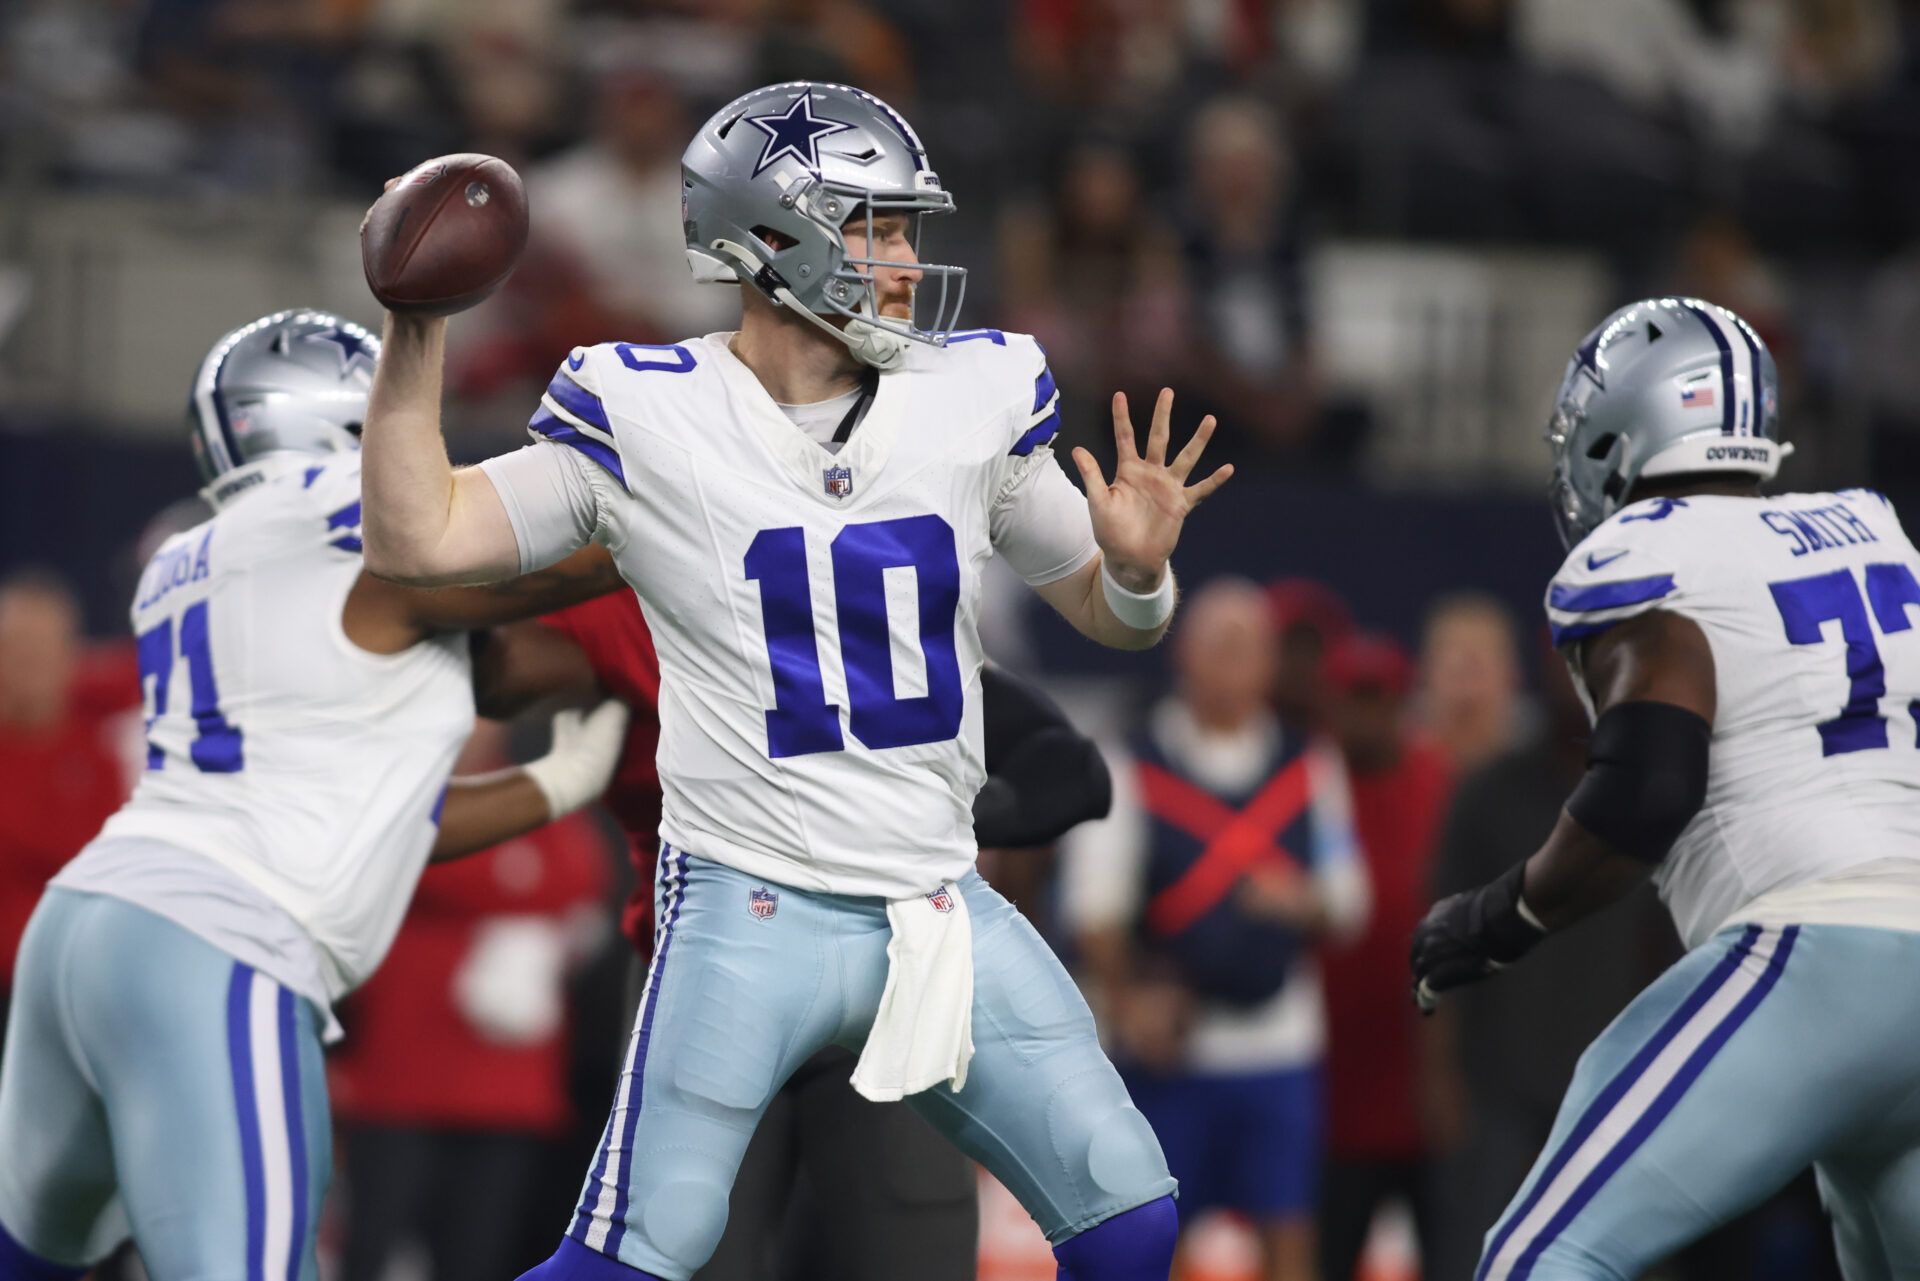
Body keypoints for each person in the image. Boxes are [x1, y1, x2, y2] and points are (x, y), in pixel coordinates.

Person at [357, 81, 1231, 1281]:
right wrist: (416, 336)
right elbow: (425, 540)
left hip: (936, 908)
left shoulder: (971, 397)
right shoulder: (646, 411)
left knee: (1130, 1217)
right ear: (770, 239)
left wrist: (1136, 575)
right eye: (875, 226)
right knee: (636, 1256)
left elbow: (1114, 615)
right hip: (744, 909)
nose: (908, 260)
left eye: (906, 227)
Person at [0, 310, 632, 1281]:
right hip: (217, 946)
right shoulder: (348, 513)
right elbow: (575, 557)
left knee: (32, 1260)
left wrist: (553, 785)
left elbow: (364, 815)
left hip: (85, 930)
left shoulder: (193, 554)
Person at [1411, 296, 1920, 1277]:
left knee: (1538, 1259)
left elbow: (1648, 787)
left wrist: (1493, 918)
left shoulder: (1642, 551)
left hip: (1811, 953)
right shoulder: (1872, 527)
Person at [538, 564, 1117, 1281]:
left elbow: (1070, 771)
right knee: (682, 1252)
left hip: (888, 987)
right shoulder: (642, 593)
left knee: (910, 1255)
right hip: (705, 986)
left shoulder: (852, 617)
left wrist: (928, 824)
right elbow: (489, 665)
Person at [1062, 579, 1369, 1281]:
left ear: (1270, 663)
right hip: (1169, 1057)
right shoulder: (1130, 761)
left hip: (1278, 1049)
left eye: (1249, 647)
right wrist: (1134, 999)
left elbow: (1349, 902)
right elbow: (1093, 907)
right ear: (1184, 656)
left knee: (1287, 1232)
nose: (1233, 662)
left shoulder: (1309, 763)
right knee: (1150, 1240)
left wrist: (1303, 901)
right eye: (1218, 645)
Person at [1316, 633, 1452, 1281]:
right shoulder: (1305, 790)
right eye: (1352, 701)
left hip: (1430, 1098)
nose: (1366, 717)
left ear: (1403, 704)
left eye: (1380, 700)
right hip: (1332, 1102)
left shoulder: (1444, 783)